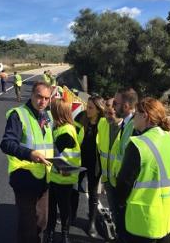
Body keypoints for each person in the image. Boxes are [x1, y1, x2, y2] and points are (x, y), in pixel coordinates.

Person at [116, 97, 170, 243]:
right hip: (168, 216)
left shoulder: (138, 144)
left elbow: (124, 182)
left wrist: (120, 203)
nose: (133, 119)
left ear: (145, 115)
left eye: (135, 115)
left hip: (144, 219)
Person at [0, 81, 54, 243]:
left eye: (46, 98)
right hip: (23, 177)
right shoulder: (18, 115)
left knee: (42, 222)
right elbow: (6, 144)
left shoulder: (47, 116)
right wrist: (29, 154)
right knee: (28, 226)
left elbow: (50, 144)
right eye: (39, 97)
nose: (42, 101)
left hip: (44, 177)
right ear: (31, 95)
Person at [44, 98, 81, 243]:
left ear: (57, 112)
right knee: (53, 208)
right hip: (55, 176)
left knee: (62, 208)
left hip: (63, 177)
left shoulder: (66, 131)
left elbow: (53, 151)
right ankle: (51, 232)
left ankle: (63, 234)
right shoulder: (60, 127)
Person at [72, 95, 105, 238]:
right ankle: (71, 216)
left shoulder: (103, 123)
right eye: (87, 106)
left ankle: (91, 224)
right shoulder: (80, 117)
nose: (87, 110)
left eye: (91, 108)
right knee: (73, 188)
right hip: (78, 161)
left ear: (98, 109)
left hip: (95, 164)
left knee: (93, 194)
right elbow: (72, 133)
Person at [108, 88, 138, 237]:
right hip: (119, 184)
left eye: (116, 103)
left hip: (126, 190)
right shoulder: (127, 124)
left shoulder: (134, 127)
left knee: (124, 230)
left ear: (125, 106)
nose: (113, 106)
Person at [96, 97, 122, 219]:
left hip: (121, 181)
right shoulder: (102, 124)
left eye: (110, 113)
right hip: (108, 179)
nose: (106, 116)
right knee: (113, 210)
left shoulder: (129, 128)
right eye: (105, 112)